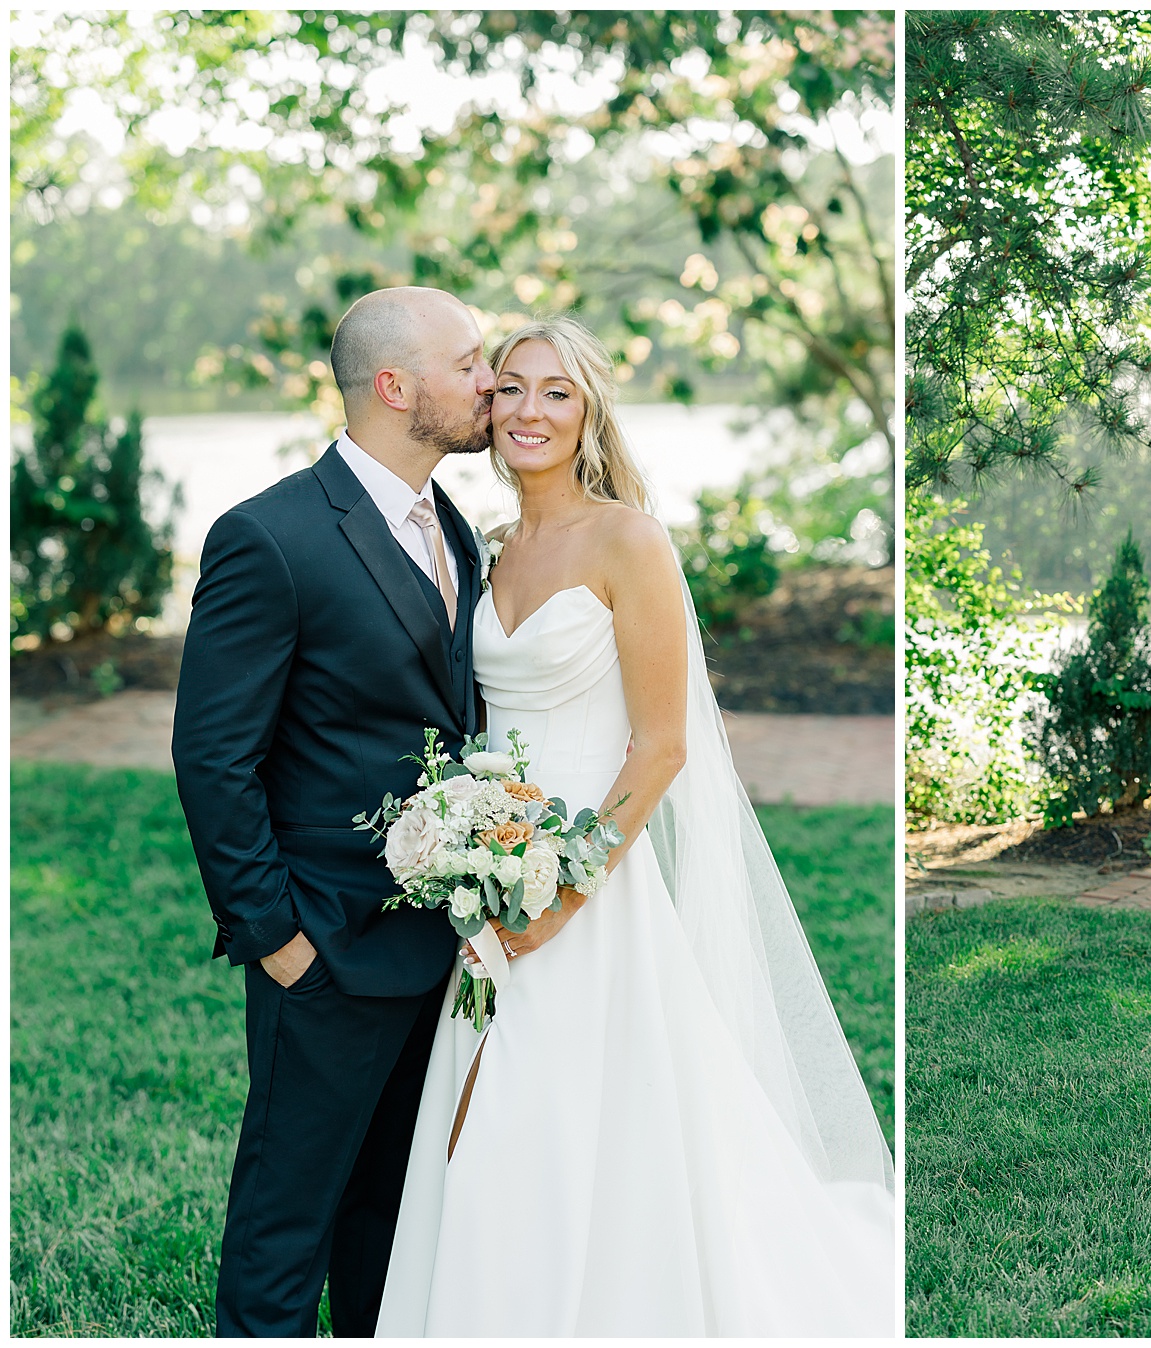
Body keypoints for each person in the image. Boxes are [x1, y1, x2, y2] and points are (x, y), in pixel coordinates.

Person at [375, 317, 894, 1336]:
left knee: (589, 1113)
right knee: (493, 1110)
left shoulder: (630, 541)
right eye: (510, 387)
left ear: (590, 412)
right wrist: (467, 848)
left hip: (589, 884)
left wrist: (563, 895)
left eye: (556, 392)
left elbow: (660, 748)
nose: (528, 410)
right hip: (492, 873)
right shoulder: (489, 549)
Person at [173, 286, 495, 1335]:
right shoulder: (269, 538)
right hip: (324, 950)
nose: (490, 381)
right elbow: (213, 757)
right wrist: (277, 940)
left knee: (389, 1226)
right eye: (469, 362)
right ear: (396, 387)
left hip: (439, 950)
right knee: (286, 1227)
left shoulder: (455, 530)